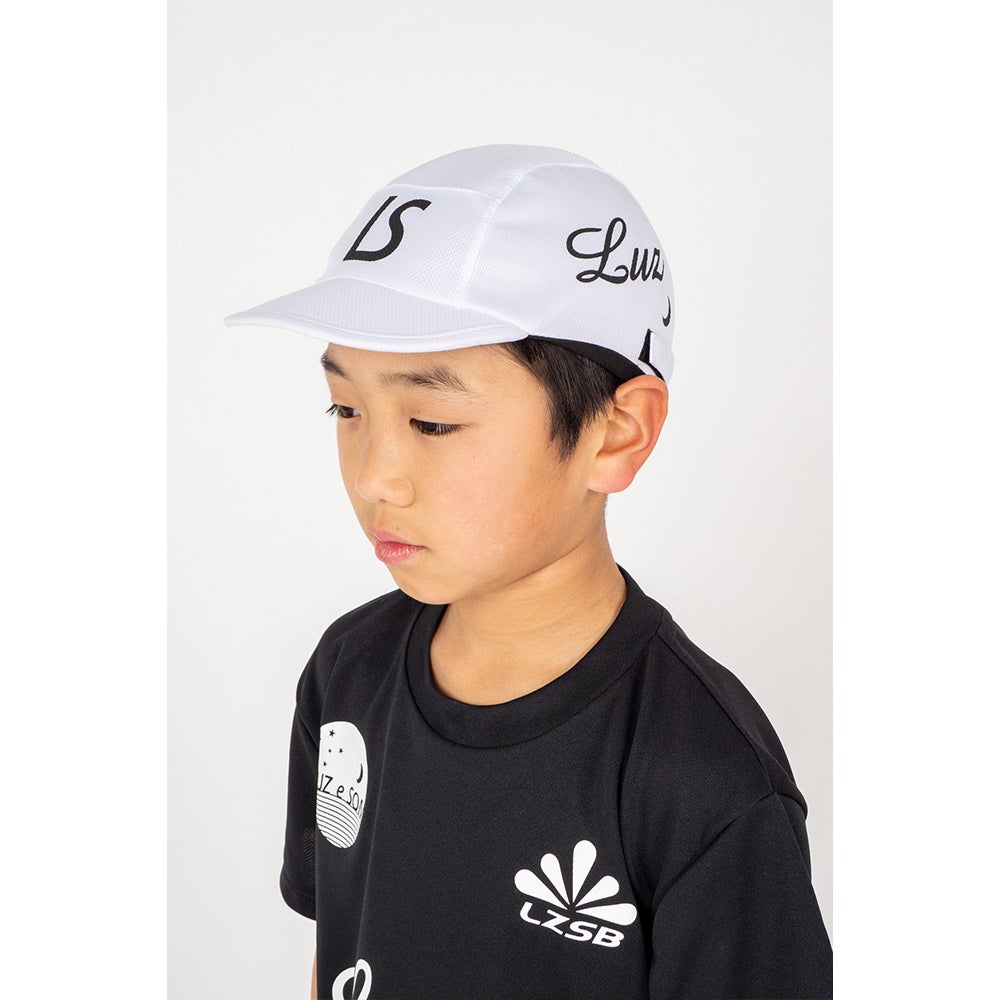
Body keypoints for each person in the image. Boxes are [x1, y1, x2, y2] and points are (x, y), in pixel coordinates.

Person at [225, 144, 833, 1000]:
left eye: (432, 422)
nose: (374, 477)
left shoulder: (702, 778)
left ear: (616, 432)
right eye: (346, 407)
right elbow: (340, 951)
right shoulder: (348, 671)